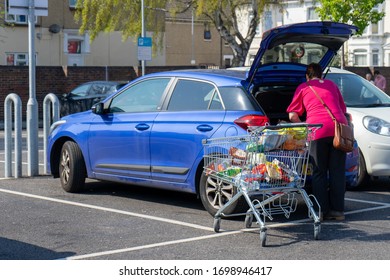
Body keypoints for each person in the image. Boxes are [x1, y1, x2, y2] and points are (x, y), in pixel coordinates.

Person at [286, 63, 347, 221]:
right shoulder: (332, 85)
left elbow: (293, 115)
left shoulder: (304, 87)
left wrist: (302, 127)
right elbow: (343, 109)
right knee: (337, 172)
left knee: (319, 172)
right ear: (321, 75)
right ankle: (338, 211)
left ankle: (321, 211)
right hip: (339, 130)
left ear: (307, 76)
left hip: (317, 130)